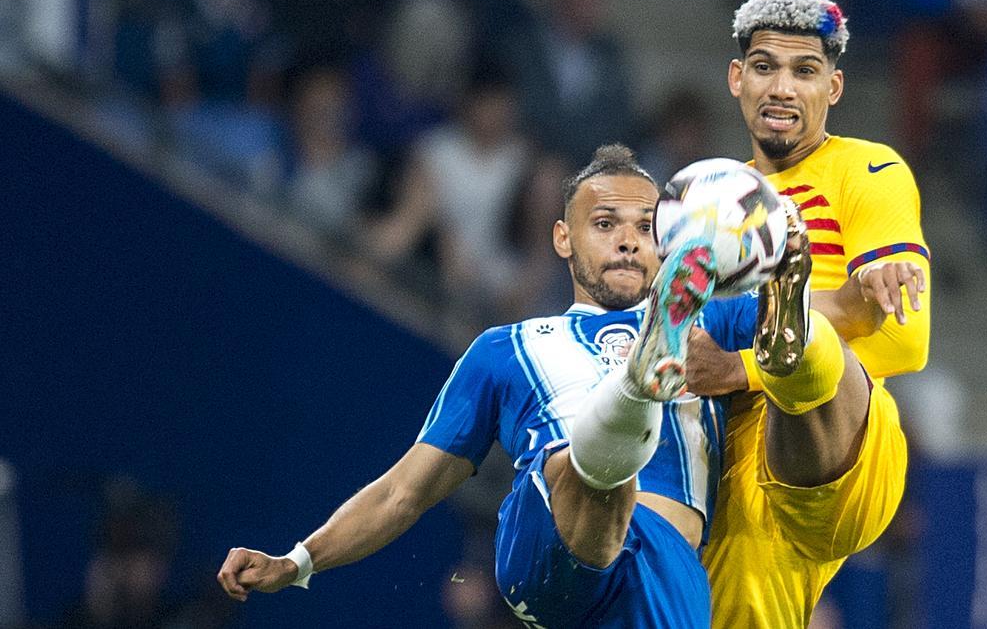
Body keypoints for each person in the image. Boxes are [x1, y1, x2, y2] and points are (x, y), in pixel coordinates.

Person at [218, 144, 753, 626]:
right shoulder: (507, 348)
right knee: (596, 470)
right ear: (563, 238)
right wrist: (297, 561)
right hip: (550, 541)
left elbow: (816, 334)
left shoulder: (716, 326)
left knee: (619, 477)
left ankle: (637, 389)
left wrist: (793, 269)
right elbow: (404, 491)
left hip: (665, 570)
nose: (629, 243)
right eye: (606, 224)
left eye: (645, 228)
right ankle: (638, 386)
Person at [686, 0, 932, 627]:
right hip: (730, 440)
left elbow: (905, 342)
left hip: (844, 433)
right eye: (765, 67)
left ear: (836, 87)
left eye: (806, 71)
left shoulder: (869, 170)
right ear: (737, 78)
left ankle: (788, 324)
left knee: (814, 347)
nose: (783, 89)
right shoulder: (705, 196)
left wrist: (740, 369)